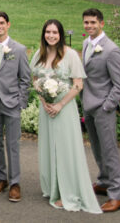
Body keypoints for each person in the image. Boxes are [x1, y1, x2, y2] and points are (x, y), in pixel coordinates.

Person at [30, 19, 102, 214]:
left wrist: (60, 104)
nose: (51, 36)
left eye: (55, 32)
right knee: (49, 147)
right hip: (47, 110)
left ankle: (68, 192)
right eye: (48, 32)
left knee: (65, 150)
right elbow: (35, 79)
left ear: (61, 35)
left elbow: (78, 84)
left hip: (64, 108)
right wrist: (45, 102)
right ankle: (52, 187)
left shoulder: (70, 55)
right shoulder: (39, 54)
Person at [0, 10, 31, 202]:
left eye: (2, 23)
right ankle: (1, 178)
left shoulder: (18, 49)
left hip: (11, 104)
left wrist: (20, 102)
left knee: (13, 144)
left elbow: (25, 79)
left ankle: (15, 182)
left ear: (8, 25)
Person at [82, 8, 120, 213]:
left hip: (103, 108)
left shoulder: (111, 50)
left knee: (109, 151)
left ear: (102, 23)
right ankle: (104, 180)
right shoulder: (85, 44)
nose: (89, 26)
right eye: (86, 22)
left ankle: (116, 196)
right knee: (97, 148)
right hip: (88, 106)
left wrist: (107, 106)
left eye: (93, 22)